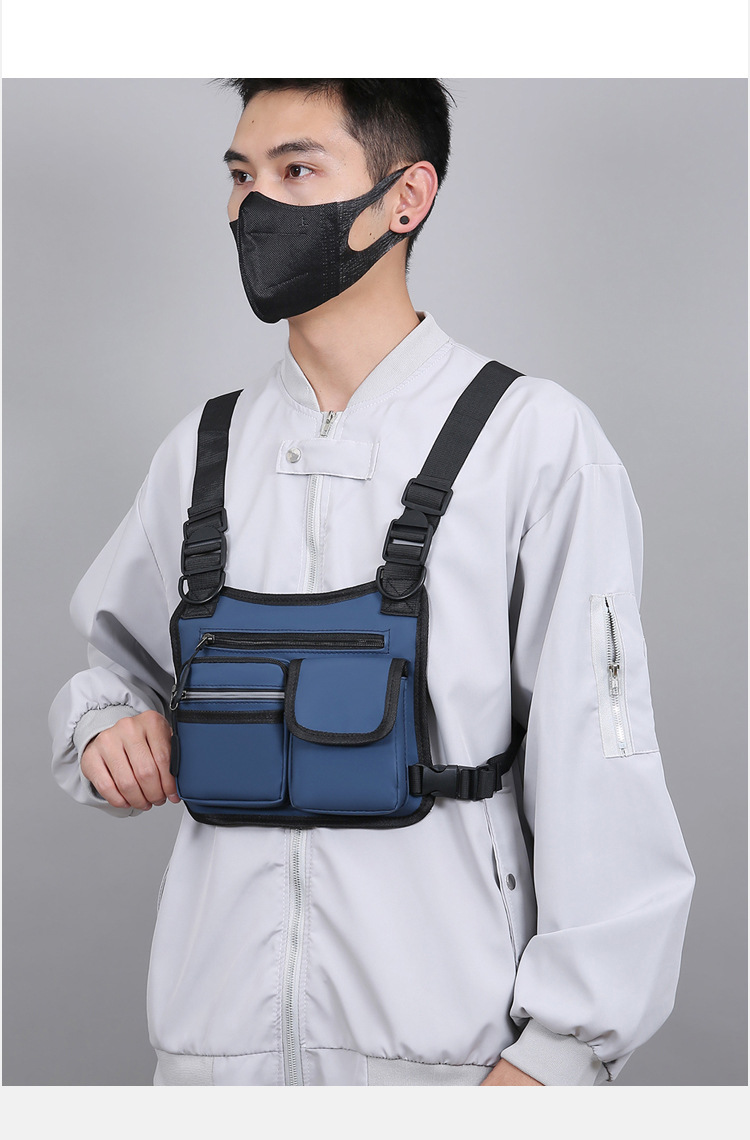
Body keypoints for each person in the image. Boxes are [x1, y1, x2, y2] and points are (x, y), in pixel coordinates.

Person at [49, 79, 695, 1087]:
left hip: (454, 1064)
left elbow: (600, 757)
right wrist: (102, 725)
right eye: (241, 175)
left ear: (407, 197)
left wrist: (562, 1053)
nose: (254, 206)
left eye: (297, 169)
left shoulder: (534, 442)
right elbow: (119, 675)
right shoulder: (203, 452)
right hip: (213, 1061)